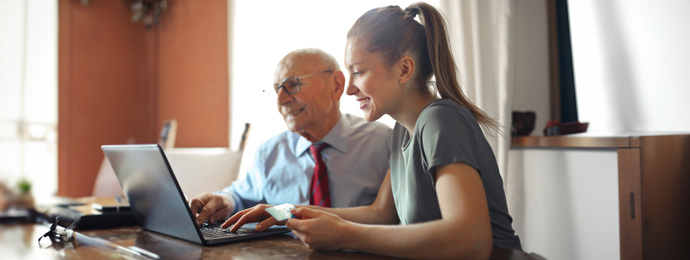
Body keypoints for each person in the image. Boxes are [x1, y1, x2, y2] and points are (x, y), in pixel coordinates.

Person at [222, 3, 521, 259]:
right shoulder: (403, 131)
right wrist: (284, 212)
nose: (349, 88)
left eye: (359, 72)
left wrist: (344, 235)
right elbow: (381, 213)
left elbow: (473, 240)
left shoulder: (440, 121)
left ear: (404, 70)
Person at [189, 48, 392, 226]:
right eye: (277, 89)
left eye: (292, 84)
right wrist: (224, 201)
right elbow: (241, 197)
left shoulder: (383, 143)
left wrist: (284, 212)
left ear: (336, 85)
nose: (281, 100)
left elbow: (390, 217)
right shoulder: (269, 152)